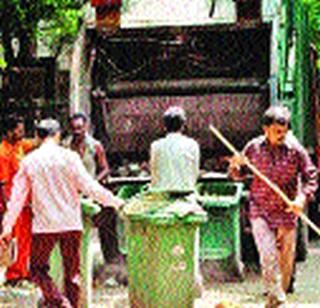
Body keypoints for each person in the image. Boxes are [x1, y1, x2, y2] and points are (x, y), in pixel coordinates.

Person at [0, 119, 124, 308]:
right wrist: (116, 202)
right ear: (57, 135)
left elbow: (17, 198)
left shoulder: (29, 161)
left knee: (37, 270)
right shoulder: (70, 157)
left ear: (37, 137)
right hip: (71, 223)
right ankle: (68, 305)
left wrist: (7, 227)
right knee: (73, 274)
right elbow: (90, 187)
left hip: (44, 226)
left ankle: (58, 300)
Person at [229, 106, 318, 308]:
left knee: (286, 261)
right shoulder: (253, 148)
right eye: (277, 131)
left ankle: (279, 293)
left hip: (287, 211)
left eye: (284, 131)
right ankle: (276, 297)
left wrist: (302, 199)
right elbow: (239, 173)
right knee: (267, 253)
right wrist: (235, 166)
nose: (281, 136)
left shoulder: (295, 150)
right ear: (265, 129)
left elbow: (310, 176)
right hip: (260, 208)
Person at [150, 106, 203, 296]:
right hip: (187, 199)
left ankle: (163, 284)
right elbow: (195, 173)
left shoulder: (156, 146)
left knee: (162, 245)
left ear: (164, 126)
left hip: (162, 202)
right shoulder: (193, 145)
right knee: (190, 245)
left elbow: (154, 174)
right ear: (184, 125)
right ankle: (193, 285)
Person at [63, 113, 120, 265]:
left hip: (91, 190)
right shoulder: (65, 146)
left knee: (107, 218)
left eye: (80, 128)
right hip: (71, 192)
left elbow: (105, 169)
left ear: (86, 127)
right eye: (74, 129)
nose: (77, 132)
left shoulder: (95, 146)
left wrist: (92, 183)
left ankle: (112, 259)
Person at [0, 115, 34, 285]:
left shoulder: (19, 145)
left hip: (24, 202)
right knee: (15, 239)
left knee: (25, 238)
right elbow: (3, 184)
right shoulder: (3, 152)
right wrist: (9, 209)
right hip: (13, 203)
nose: (22, 134)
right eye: (19, 131)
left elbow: (35, 143)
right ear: (9, 132)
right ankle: (14, 274)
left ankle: (23, 270)